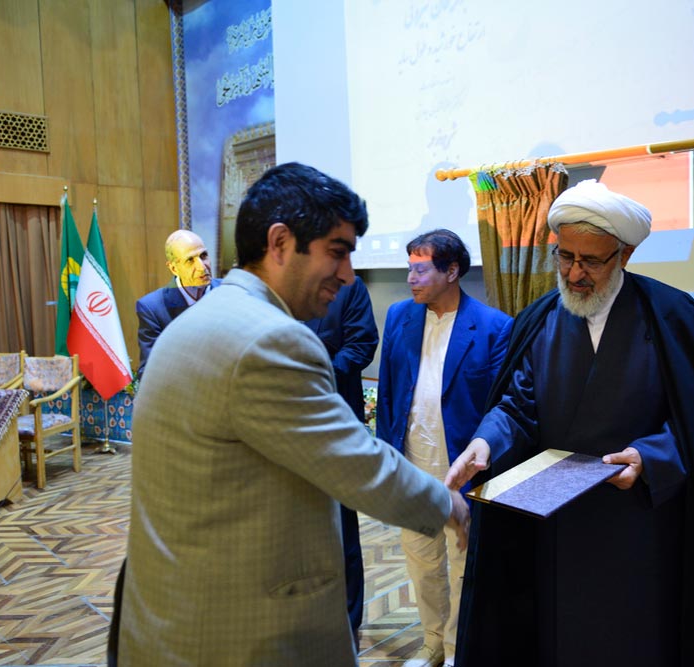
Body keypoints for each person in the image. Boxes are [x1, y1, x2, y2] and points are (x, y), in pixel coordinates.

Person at [116, 162, 470, 667]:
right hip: (237, 637)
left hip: (172, 619)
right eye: (337, 252)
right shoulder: (271, 339)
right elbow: (357, 464)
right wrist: (448, 504)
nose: (348, 275)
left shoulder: (204, 319)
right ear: (280, 243)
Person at [446, 180, 694, 667]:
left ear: (625, 255)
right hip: (557, 528)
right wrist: (486, 441)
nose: (574, 273)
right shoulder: (541, 318)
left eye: (591, 261)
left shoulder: (673, 317)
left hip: (640, 524)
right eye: (565, 256)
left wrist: (650, 457)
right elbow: (517, 406)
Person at [376, 229, 513, 667]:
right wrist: (387, 459)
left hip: (462, 468)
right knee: (421, 560)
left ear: (452, 271)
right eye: (409, 269)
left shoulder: (493, 327)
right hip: (411, 463)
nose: (410, 279)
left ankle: (457, 650)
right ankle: (433, 643)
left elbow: (499, 406)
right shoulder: (399, 316)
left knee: (462, 563)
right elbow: (388, 391)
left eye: (420, 270)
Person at [303, 275, 379, 646]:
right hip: (284, 427)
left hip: (335, 422)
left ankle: (348, 623)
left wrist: (316, 377)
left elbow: (362, 343)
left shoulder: (350, 288)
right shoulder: (281, 287)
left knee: (341, 527)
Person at [135, 229, 219, 375]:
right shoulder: (152, 308)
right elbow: (148, 372)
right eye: (190, 260)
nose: (202, 267)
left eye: (203, 256)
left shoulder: (231, 290)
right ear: (174, 268)